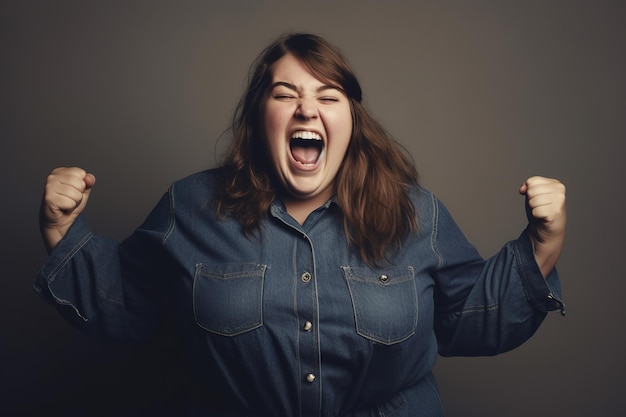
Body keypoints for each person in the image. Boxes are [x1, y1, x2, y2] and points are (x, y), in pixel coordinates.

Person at [35, 33, 566, 416]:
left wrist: (543, 244)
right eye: (285, 95)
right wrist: (63, 230)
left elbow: (468, 321)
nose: (306, 110)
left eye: (327, 97)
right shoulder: (190, 205)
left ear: (352, 120)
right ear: (258, 116)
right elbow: (129, 307)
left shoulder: (416, 213)